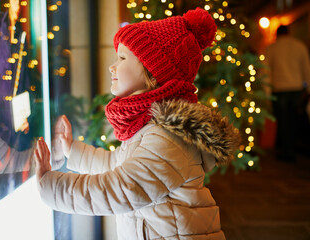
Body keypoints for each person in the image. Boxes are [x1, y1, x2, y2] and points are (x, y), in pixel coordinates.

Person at [35, 8, 239, 239]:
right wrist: (73, 151)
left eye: (122, 58)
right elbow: (118, 164)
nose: (112, 66)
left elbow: (121, 189)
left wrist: (51, 186)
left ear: (153, 71)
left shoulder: (169, 138)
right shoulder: (151, 127)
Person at [0, 0, 35, 209]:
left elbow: (27, 75)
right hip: (2, 108)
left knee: (15, 165)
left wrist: (26, 113)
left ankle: (0, 209)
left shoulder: (22, 31)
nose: (17, 4)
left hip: (18, 110)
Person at [265, 25, 310, 162]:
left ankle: (286, 150)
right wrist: (308, 88)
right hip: (296, 88)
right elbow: (306, 68)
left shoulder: (272, 48)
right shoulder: (299, 46)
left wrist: (267, 93)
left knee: (283, 120)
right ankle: (291, 149)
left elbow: (266, 71)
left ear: (277, 34)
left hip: (279, 89)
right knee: (294, 120)